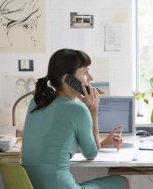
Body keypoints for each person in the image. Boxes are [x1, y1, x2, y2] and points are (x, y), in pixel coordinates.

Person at [21, 48, 129, 189]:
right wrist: (93, 109)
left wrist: (102, 143)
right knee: (122, 181)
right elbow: (91, 154)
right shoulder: (78, 110)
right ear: (69, 79)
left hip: (29, 185)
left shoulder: (36, 102)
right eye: (85, 72)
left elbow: (56, 146)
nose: (91, 78)